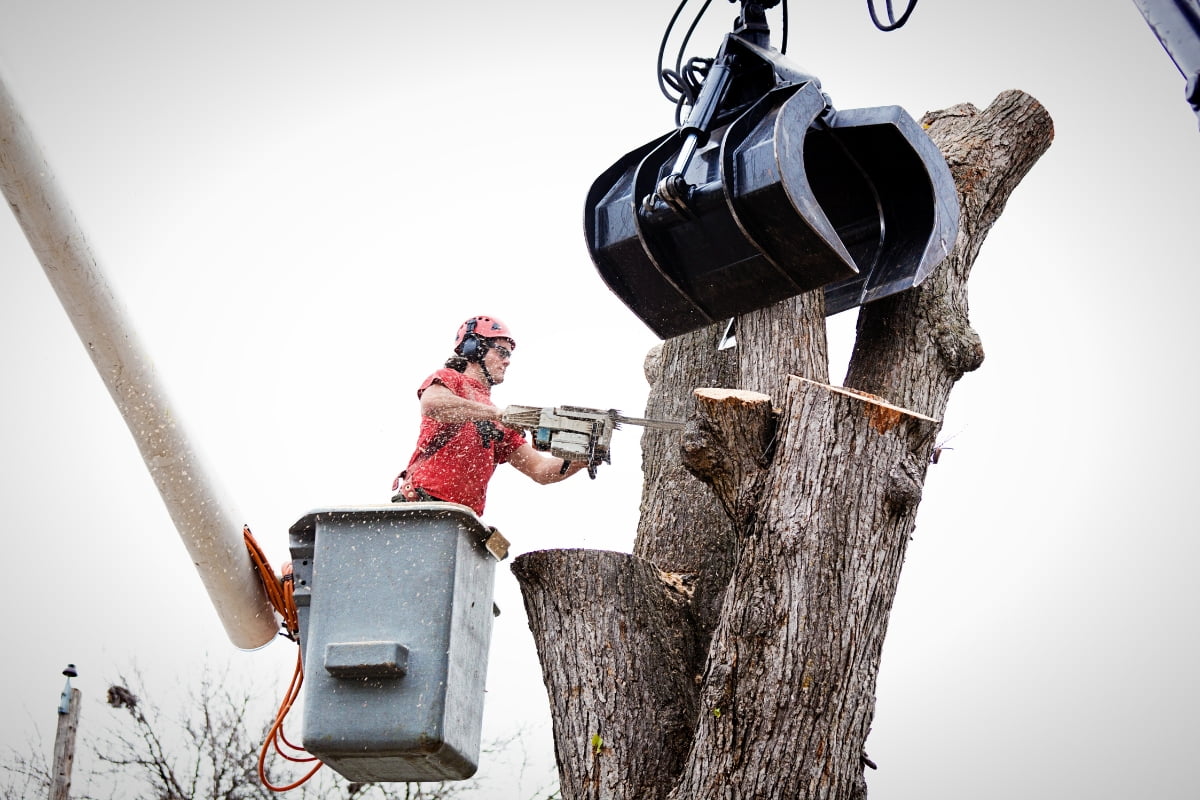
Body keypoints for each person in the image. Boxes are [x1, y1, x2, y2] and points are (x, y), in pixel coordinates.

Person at [391, 315, 587, 515]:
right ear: (474, 349)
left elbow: (540, 470)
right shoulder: (450, 380)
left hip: (463, 518)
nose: (507, 361)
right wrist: (497, 414)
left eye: (509, 355)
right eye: (501, 352)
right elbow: (432, 405)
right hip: (422, 507)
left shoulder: (501, 422)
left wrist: (580, 459)